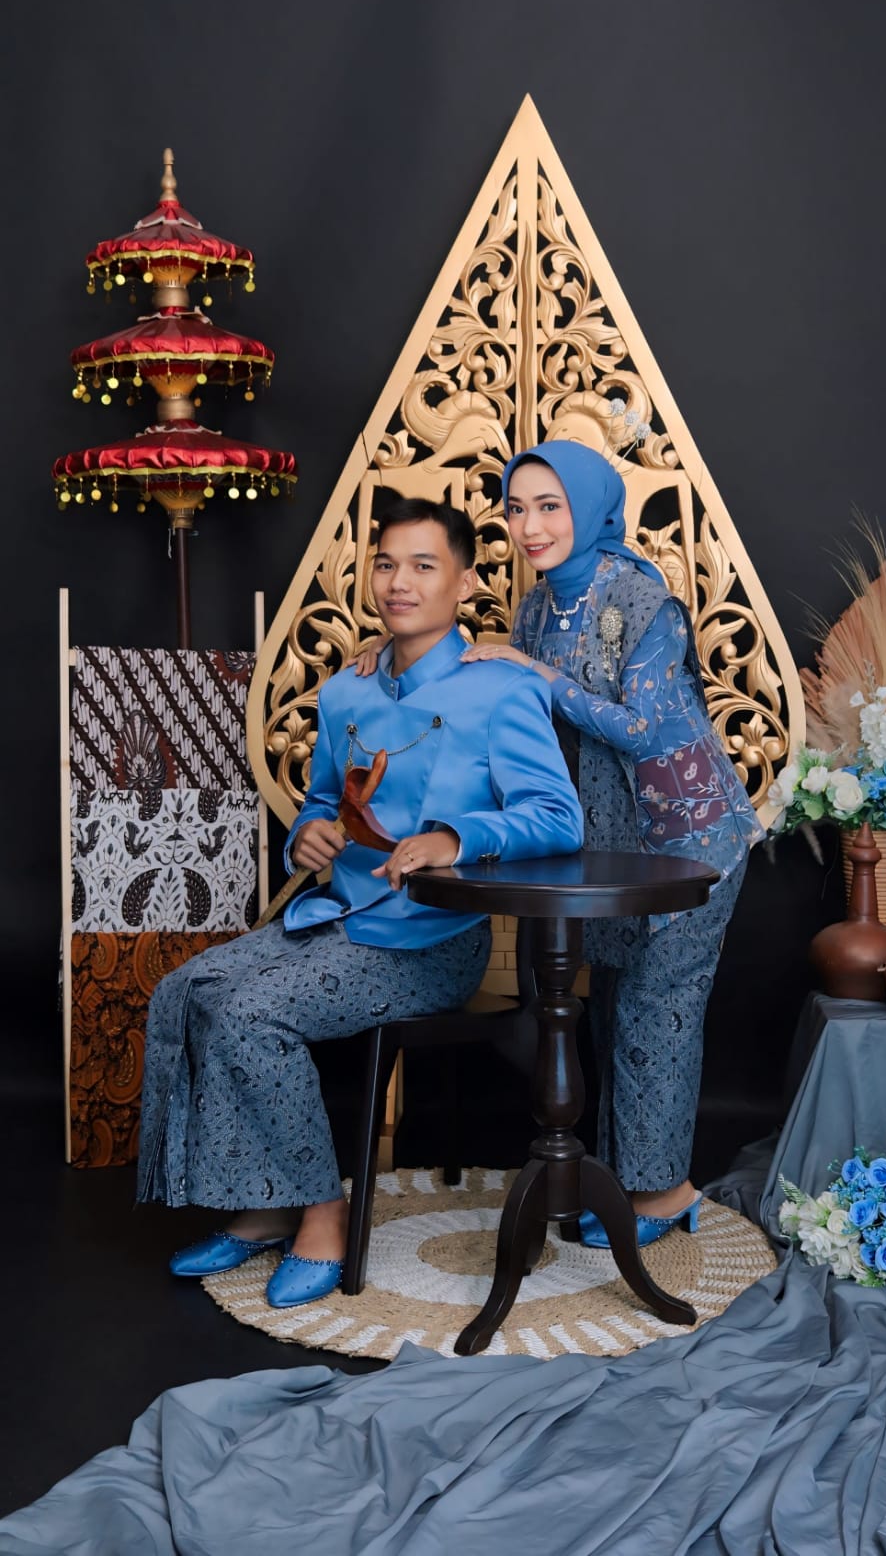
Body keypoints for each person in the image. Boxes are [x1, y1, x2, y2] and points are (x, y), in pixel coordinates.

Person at [136, 496, 583, 1309]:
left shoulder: (502, 691)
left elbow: (558, 817)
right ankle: (265, 1204)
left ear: (464, 583)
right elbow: (321, 801)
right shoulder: (347, 690)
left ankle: (323, 1212)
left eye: (422, 565)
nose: (398, 582)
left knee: (251, 1014)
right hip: (334, 918)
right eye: (385, 564)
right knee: (186, 989)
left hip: (431, 941)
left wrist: (455, 837)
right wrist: (306, 836)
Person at [354, 441, 763, 1247]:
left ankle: (662, 1193)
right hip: (615, 841)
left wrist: (543, 678)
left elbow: (643, 731)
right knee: (610, 1007)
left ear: (591, 507)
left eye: (551, 506)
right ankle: (623, 1179)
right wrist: (390, 664)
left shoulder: (646, 603)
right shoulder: (537, 607)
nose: (530, 526)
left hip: (692, 835)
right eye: (516, 508)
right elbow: (495, 691)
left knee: (656, 1009)